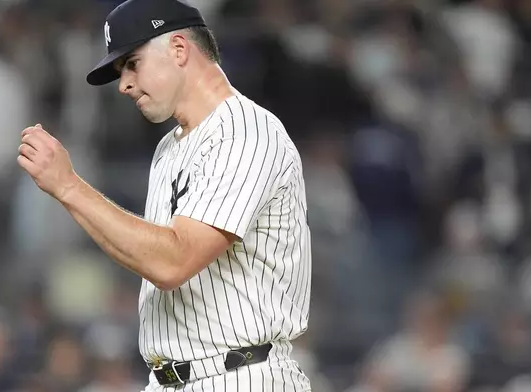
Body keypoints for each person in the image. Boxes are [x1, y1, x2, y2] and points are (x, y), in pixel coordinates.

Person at [16, 0, 312, 390]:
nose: (124, 84)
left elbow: (173, 262)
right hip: (171, 378)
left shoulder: (245, 133)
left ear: (178, 49)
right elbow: (151, 257)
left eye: (133, 63)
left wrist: (69, 186)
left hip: (240, 375)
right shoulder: (169, 149)